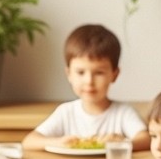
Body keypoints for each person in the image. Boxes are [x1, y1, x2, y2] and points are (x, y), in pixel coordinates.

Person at [22, 24, 150, 151]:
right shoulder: (66, 112)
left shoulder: (123, 113)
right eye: (80, 72)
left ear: (114, 75)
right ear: (69, 74)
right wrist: (58, 142)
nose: (89, 81)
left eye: (99, 73)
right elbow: (29, 141)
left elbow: (145, 139)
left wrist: (121, 144)